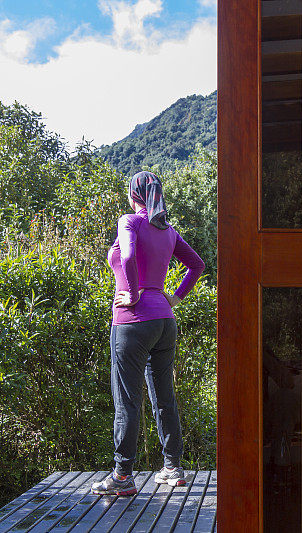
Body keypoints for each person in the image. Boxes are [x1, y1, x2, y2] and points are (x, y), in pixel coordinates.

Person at [92, 171, 205, 496]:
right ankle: (172, 468)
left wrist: (131, 293)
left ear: (134, 195)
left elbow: (127, 256)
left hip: (132, 322)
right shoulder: (168, 231)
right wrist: (175, 297)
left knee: (127, 399)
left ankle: (123, 477)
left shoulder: (129, 221)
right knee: (163, 397)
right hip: (164, 321)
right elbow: (196, 265)